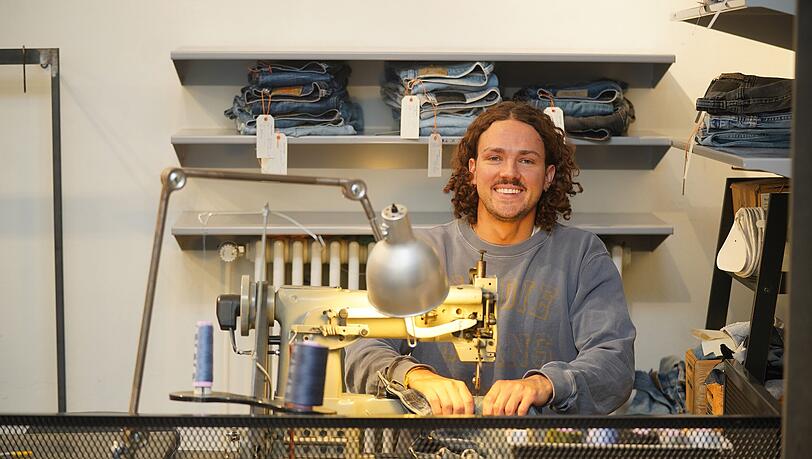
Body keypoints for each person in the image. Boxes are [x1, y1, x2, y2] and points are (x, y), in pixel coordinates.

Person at [344, 101, 635, 415]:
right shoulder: (422, 251)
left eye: (527, 160)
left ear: (548, 175)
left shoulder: (581, 256)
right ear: (472, 170)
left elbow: (614, 364)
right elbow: (364, 349)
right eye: (495, 157)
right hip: (430, 444)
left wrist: (545, 384)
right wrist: (417, 377)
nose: (509, 173)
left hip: (536, 450)